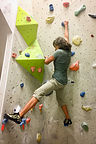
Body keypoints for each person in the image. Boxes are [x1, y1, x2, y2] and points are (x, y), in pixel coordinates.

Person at [4, 21, 72, 126]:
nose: (55, 48)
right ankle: (68, 118)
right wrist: (66, 26)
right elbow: (66, 37)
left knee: (38, 93)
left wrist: (45, 57)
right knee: (61, 100)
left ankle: (20, 115)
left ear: (59, 46)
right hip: (63, 82)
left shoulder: (58, 52)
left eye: (55, 46)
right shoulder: (68, 51)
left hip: (57, 81)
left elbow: (46, 62)